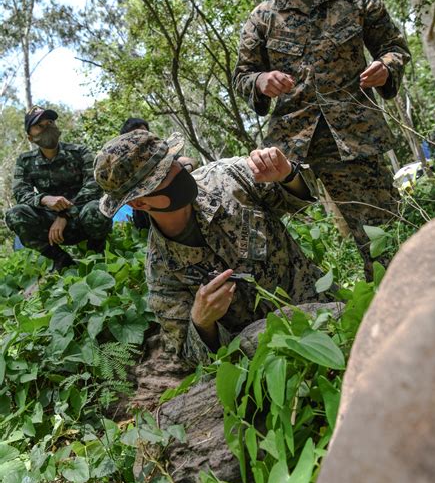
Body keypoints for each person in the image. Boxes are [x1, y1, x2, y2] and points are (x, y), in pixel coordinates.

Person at [233, 0, 412, 278]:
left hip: (355, 139)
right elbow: (243, 76)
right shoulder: (262, 18)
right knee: (270, 242)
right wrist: (262, 82)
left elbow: (395, 48)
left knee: (386, 243)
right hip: (289, 150)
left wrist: (386, 68)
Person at [94, 130, 329, 366]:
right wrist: (201, 323)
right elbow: (190, 357)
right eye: (162, 175)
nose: (178, 172)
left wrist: (288, 174)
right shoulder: (162, 272)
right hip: (272, 361)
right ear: (140, 202)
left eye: (172, 162)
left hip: (327, 313)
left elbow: (300, 200)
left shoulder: (229, 177)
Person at [5, 106, 112, 271]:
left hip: (82, 217)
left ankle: (95, 254)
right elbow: (20, 193)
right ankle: (61, 259)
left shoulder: (79, 152)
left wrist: (65, 215)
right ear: (30, 138)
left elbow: (95, 186)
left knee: (96, 209)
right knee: (15, 214)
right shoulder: (25, 161)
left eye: (50, 122)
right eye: (39, 126)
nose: (47, 127)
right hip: (50, 226)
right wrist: (43, 199)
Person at [119, 117, 200, 230]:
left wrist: (181, 173)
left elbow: (191, 161)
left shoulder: (160, 153)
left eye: (144, 133)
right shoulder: (126, 169)